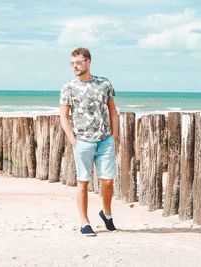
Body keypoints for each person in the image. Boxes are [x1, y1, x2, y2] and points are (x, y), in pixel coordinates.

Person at [59, 47, 119, 236]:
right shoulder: (68, 87)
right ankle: (85, 222)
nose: (75, 66)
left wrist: (114, 135)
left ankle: (106, 213)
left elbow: (112, 111)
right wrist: (73, 140)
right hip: (82, 141)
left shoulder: (104, 83)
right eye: (72, 63)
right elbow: (64, 116)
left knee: (107, 181)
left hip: (104, 140)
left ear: (88, 62)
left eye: (78, 62)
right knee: (83, 181)